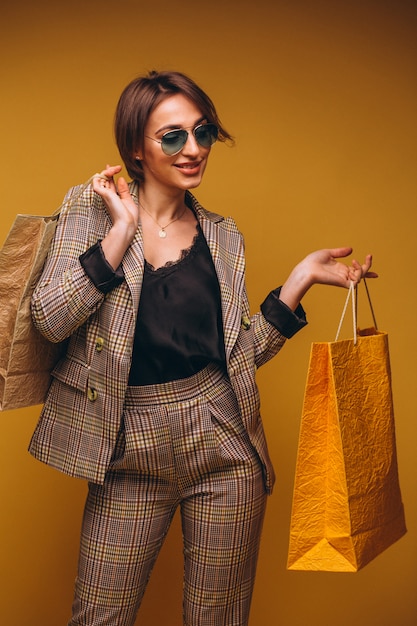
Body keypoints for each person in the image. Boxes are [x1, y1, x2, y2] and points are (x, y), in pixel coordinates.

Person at [29, 70, 375, 626]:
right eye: (172, 137)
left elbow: (239, 356)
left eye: (203, 132)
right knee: (99, 617)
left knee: (219, 619)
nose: (192, 150)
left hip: (223, 440)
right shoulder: (89, 212)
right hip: (126, 444)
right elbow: (50, 318)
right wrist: (121, 231)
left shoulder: (223, 237)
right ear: (136, 150)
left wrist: (298, 281)